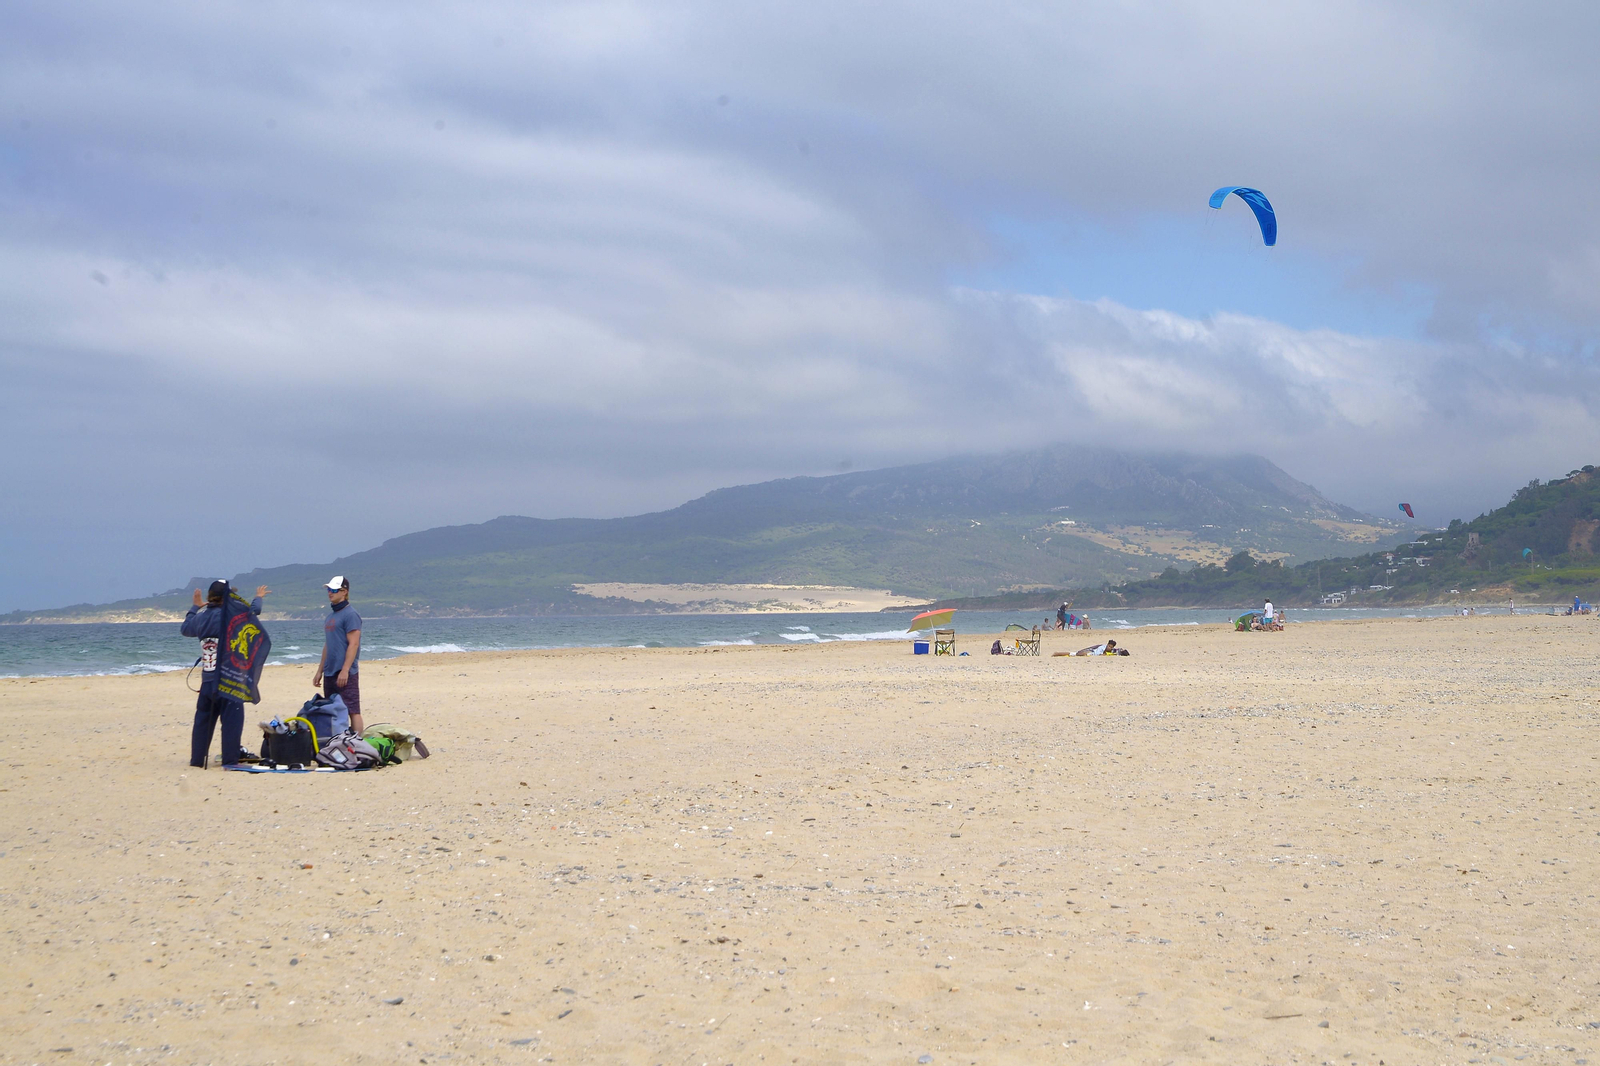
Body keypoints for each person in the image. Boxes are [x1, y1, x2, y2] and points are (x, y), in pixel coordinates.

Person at [181, 580, 270, 767]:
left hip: (207, 680)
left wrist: (194, 607)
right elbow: (253, 612)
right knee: (232, 722)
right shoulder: (232, 617)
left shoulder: (200, 618)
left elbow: (185, 628)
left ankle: (197, 760)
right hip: (229, 679)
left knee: (203, 722)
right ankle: (230, 761)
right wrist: (258, 598)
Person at [315, 575, 364, 734]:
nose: (330, 593)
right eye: (329, 589)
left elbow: (354, 643)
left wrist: (345, 669)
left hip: (345, 672)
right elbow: (328, 645)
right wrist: (319, 670)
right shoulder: (330, 617)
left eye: (335, 590)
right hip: (330, 671)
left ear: (344, 592)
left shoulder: (350, 614)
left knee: (352, 709)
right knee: (332, 709)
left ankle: (358, 745)